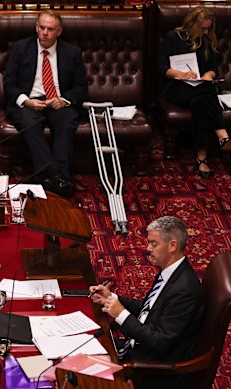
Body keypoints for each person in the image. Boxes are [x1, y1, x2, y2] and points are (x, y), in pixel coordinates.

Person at [90, 216, 204, 389]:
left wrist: (120, 314)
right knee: (85, 346)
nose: (147, 248)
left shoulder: (184, 291)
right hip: (137, 347)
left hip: (151, 369)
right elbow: (148, 309)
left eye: (154, 243)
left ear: (172, 245)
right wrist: (113, 298)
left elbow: (159, 343)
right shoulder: (170, 272)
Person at [4, 10, 88, 197]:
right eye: (41, 28)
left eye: (50, 29)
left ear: (59, 31)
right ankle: (58, 178)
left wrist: (64, 101)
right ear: (36, 27)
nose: (44, 33)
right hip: (30, 100)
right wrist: (26, 101)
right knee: (29, 123)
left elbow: (81, 88)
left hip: (58, 101)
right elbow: (9, 84)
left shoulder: (72, 52)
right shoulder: (21, 48)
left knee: (66, 123)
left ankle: (51, 178)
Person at [158, 6, 231, 179]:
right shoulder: (173, 37)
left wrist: (208, 75)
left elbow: (214, 70)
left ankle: (201, 155)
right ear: (192, 24)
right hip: (176, 87)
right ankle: (222, 134)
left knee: (199, 101)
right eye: (203, 28)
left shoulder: (207, 40)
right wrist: (181, 74)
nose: (205, 32)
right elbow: (161, 67)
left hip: (199, 88)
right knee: (206, 91)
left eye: (208, 28)